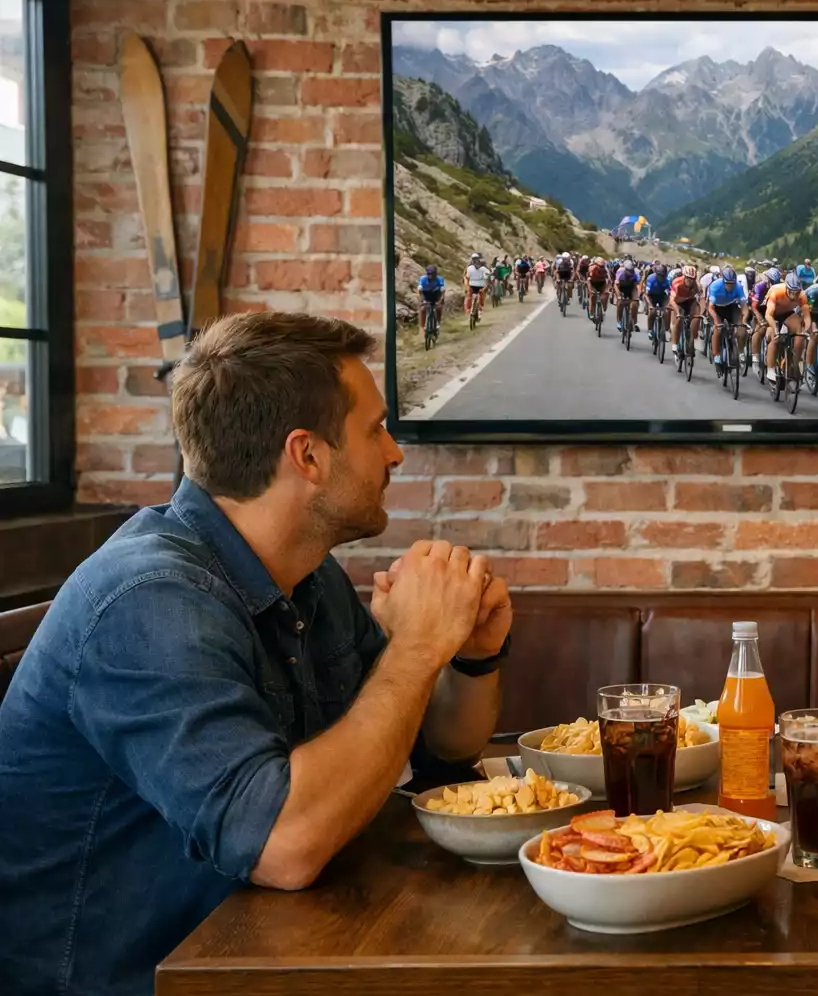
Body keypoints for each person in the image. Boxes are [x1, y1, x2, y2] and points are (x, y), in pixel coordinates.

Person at [0, 313, 512, 996]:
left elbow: (433, 750)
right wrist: (416, 648)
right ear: (307, 455)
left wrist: (469, 656)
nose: (394, 453)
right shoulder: (149, 600)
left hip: (268, 950)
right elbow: (283, 846)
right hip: (137, 981)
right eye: (376, 430)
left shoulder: (308, 575)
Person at [759, 274, 808, 389]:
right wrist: (775, 329)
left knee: (799, 329)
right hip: (772, 313)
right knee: (774, 338)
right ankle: (771, 368)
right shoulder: (776, 292)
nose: (794, 295)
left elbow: (807, 317)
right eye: (792, 292)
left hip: (787, 313)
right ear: (787, 288)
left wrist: (805, 331)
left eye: (797, 292)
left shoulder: (802, 295)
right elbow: (769, 315)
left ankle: (792, 362)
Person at [707, 266, 748, 367]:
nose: (730, 286)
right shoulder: (715, 286)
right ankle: (716, 355)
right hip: (716, 307)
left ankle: (740, 351)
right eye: (728, 284)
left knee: (742, 330)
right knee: (718, 329)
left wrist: (744, 321)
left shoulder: (738, 286)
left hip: (731, 306)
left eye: (732, 284)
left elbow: (744, 307)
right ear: (723, 281)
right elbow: (711, 308)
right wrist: (716, 321)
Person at [415, 264, 445, 341]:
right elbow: (419, 291)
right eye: (429, 274)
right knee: (423, 309)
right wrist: (421, 300)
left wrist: (440, 301)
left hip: (436, 295)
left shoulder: (440, 279)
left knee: (438, 308)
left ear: (436, 274)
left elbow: (442, 292)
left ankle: (437, 323)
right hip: (426, 295)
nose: (430, 276)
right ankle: (422, 327)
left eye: (432, 274)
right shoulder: (423, 279)